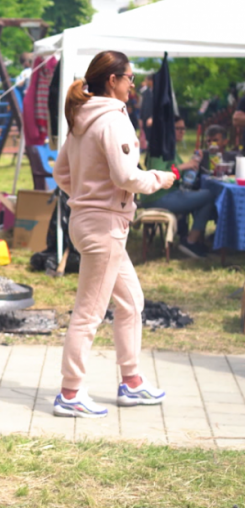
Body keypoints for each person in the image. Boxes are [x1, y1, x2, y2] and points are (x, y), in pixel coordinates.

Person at [53, 50, 175, 419]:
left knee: (131, 302)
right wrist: (159, 179)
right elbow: (125, 177)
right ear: (113, 80)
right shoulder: (112, 120)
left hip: (92, 223)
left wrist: (85, 194)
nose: (133, 85)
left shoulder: (82, 118)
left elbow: (60, 171)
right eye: (130, 78)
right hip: (104, 226)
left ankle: (132, 383)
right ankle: (70, 392)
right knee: (89, 314)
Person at [139, 116, 215, 259]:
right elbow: (159, 176)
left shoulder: (169, 148)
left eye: (183, 129)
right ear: (168, 130)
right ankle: (190, 241)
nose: (182, 132)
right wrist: (186, 166)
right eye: (178, 129)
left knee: (203, 195)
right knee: (209, 195)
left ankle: (194, 238)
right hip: (158, 197)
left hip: (170, 194)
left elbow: (177, 171)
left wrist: (193, 163)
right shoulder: (160, 150)